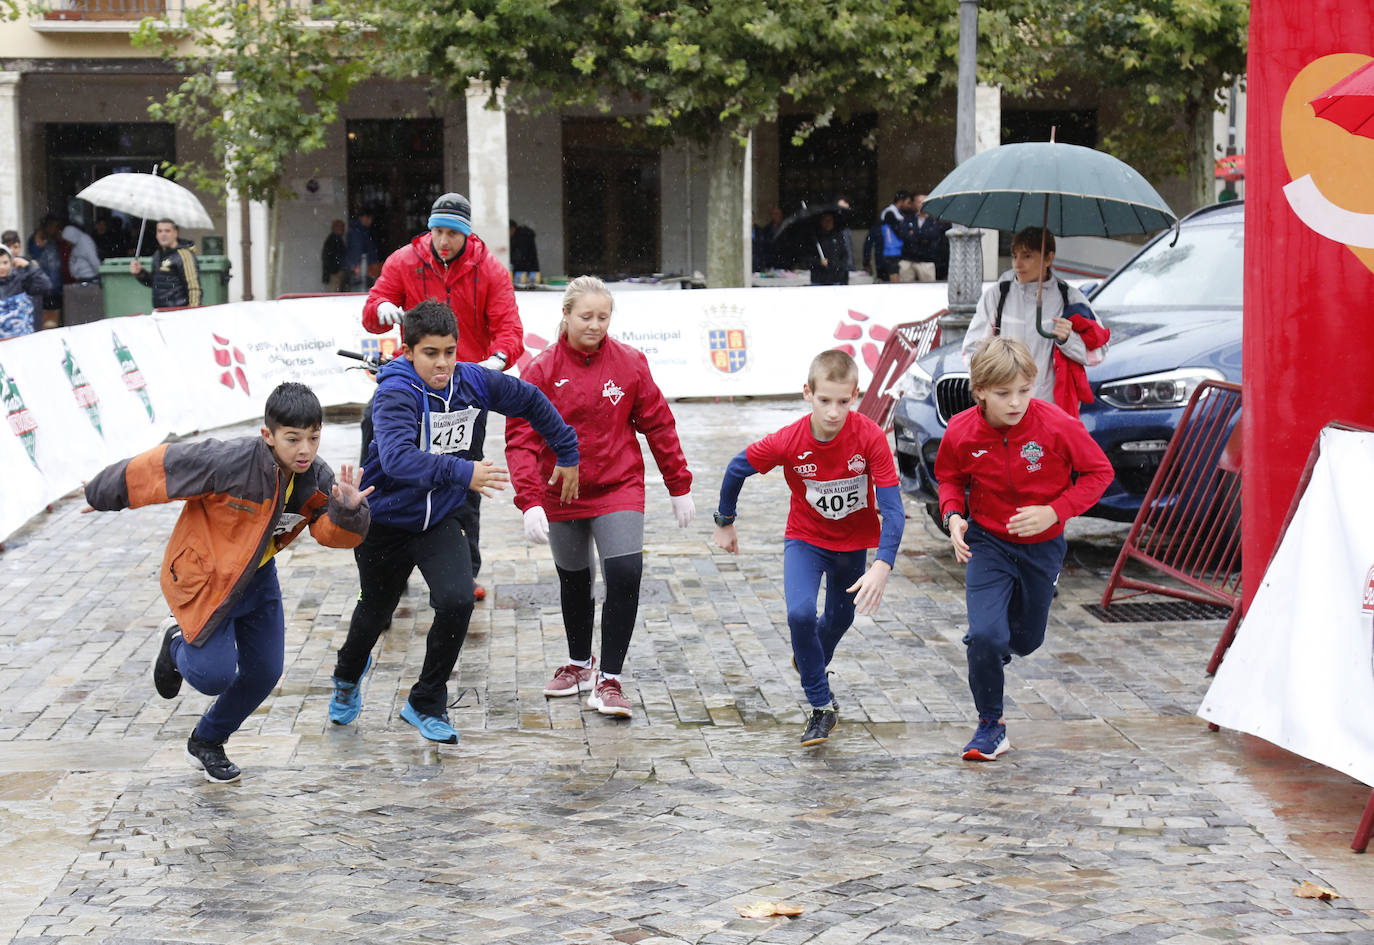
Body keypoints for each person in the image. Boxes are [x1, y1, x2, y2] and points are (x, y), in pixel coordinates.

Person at [83, 382, 372, 781]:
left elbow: (332, 535)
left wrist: (347, 512)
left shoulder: (317, 478)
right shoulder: (229, 460)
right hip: (207, 578)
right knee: (213, 675)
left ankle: (207, 741)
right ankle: (175, 644)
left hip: (257, 580)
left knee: (265, 672)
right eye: (293, 439)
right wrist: (103, 491)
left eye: (313, 437)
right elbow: (164, 466)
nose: (305, 449)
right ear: (267, 435)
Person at [328, 299, 579, 744]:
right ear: (408, 352)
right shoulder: (395, 393)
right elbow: (398, 459)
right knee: (375, 611)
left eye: (450, 351)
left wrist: (567, 450)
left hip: (439, 520)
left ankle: (425, 700)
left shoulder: (472, 381)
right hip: (384, 522)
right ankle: (347, 676)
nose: (442, 363)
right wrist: (466, 473)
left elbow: (531, 400)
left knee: (459, 600)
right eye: (430, 353)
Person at [506, 276, 695, 717]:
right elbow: (520, 439)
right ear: (566, 315)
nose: (594, 324)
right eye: (585, 316)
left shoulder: (629, 364)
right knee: (574, 579)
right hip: (562, 492)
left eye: (602, 317)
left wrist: (678, 485)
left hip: (618, 484)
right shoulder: (541, 370)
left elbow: (659, 424)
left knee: (626, 574)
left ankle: (610, 678)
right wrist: (530, 499)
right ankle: (578, 663)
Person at [712, 350, 904, 747]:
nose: (834, 412)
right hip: (805, 540)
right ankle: (821, 706)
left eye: (843, 401)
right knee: (800, 613)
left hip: (852, 546)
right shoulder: (789, 440)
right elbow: (736, 468)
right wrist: (725, 521)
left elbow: (894, 510)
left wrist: (883, 564)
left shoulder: (868, 436)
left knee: (837, 620)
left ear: (856, 395)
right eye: (824, 400)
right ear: (807, 393)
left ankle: (810, 658)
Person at [934, 337, 1113, 761]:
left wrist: (1055, 512)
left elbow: (1098, 473)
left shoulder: (1056, 424)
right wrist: (953, 516)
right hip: (987, 544)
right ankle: (990, 728)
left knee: (1025, 640)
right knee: (985, 635)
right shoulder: (961, 429)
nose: (1015, 403)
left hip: (1042, 548)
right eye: (1002, 394)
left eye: (1024, 391)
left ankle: (993, 647)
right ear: (979, 391)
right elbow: (948, 477)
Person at [361, 192, 526, 600]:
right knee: (383, 457)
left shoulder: (489, 270)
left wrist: (499, 359)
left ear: (467, 234)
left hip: (464, 387)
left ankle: (464, 570)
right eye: (438, 231)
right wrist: (381, 309)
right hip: (410, 383)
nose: (444, 240)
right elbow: (371, 311)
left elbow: (510, 327)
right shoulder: (403, 261)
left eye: (452, 233)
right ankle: (384, 569)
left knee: (467, 475)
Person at [961, 226, 1108, 417]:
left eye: (1027, 256)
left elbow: (1098, 352)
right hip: (1005, 413)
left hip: (1051, 412)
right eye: (1014, 256)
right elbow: (972, 349)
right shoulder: (997, 296)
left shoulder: (1070, 299)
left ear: (1048, 258)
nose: (1018, 264)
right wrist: (993, 389)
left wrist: (1068, 340)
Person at [130, 219, 202, 309]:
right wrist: (140, 273)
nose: (163, 234)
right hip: (160, 312)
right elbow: (157, 282)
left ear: (176, 233)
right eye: (160, 231)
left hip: (179, 313)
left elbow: (194, 288)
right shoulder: (157, 255)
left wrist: (192, 313)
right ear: (156, 235)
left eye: (167, 231)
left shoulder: (184, 255)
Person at [0, 244, 52, 339]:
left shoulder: (20, 280)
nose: (2, 267)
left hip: (23, 341)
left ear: (11, 263)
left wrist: (28, 266)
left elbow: (45, 285)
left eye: (5, 262)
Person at [28, 217, 69, 327]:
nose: (56, 229)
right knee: (48, 320)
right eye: (54, 226)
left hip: (54, 285)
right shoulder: (40, 239)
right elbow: (34, 253)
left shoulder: (54, 241)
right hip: (47, 285)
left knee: (54, 317)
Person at [909, 194, 950, 282]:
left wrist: (915, 233)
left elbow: (934, 234)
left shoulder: (935, 219)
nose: (922, 204)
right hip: (910, 259)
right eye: (919, 202)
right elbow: (904, 235)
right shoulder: (909, 218)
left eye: (924, 202)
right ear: (914, 203)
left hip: (928, 259)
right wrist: (923, 237)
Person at [809, 211, 852, 286]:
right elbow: (808, 258)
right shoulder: (815, 238)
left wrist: (837, 266)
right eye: (825, 220)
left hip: (835, 278)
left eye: (830, 220)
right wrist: (819, 262)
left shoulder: (838, 236)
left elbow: (844, 256)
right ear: (821, 222)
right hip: (819, 279)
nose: (828, 222)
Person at [344, 209, 379, 290]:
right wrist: (355, 264)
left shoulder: (362, 230)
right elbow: (356, 248)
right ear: (363, 217)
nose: (370, 221)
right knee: (360, 290)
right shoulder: (357, 231)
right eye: (369, 218)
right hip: (361, 265)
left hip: (365, 265)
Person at [509, 219, 541, 284]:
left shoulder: (521, 238)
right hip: (530, 268)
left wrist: (512, 266)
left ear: (512, 229)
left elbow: (520, 257)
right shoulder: (523, 235)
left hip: (524, 270)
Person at [321, 219, 348, 291]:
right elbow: (328, 257)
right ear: (335, 228)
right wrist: (335, 270)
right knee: (334, 296)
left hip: (334, 273)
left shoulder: (337, 239)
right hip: (334, 274)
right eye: (341, 227)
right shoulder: (333, 240)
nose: (343, 230)